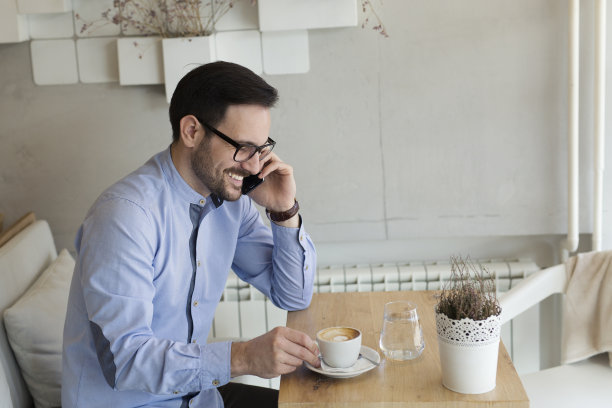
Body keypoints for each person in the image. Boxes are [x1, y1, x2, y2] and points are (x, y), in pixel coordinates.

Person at [62, 61, 320, 408]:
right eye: (243, 148)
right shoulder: (124, 216)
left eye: (261, 150)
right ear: (192, 131)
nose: (255, 167)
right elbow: (126, 361)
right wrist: (243, 357)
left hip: (199, 397)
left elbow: (293, 296)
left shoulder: (232, 202)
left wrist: (283, 210)